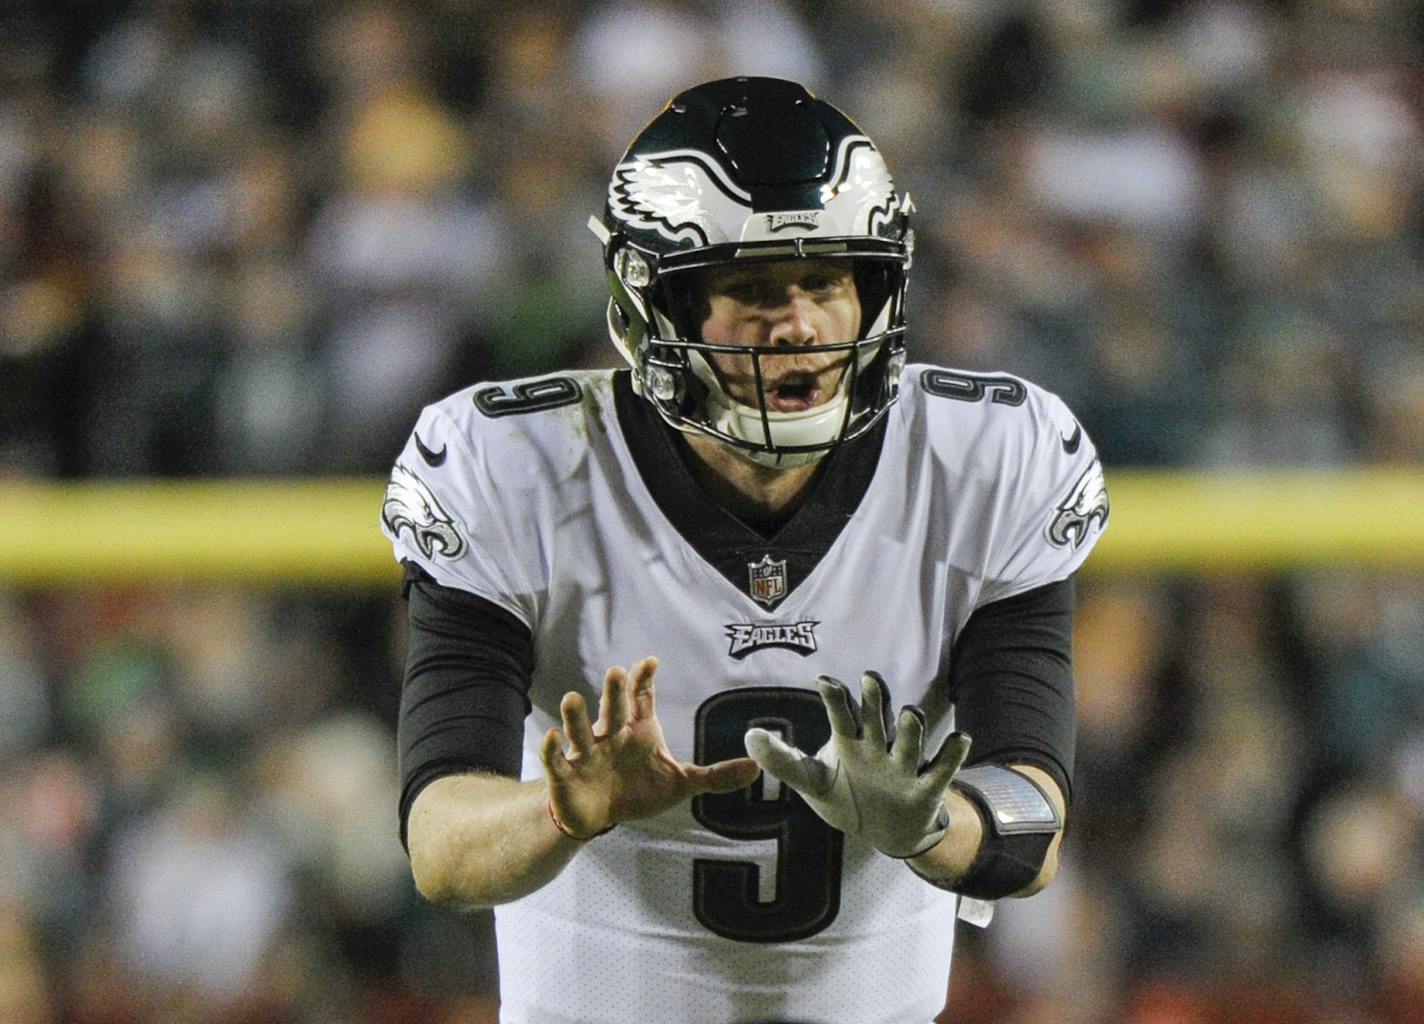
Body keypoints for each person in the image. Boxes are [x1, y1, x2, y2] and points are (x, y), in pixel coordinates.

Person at [381, 76, 1108, 1024]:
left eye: (826, 281)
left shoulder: (984, 461)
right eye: (753, 290)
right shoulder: (518, 470)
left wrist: (929, 825)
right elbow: (440, 846)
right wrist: (565, 808)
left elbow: (1034, 818)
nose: (799, 324)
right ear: (659, 308)